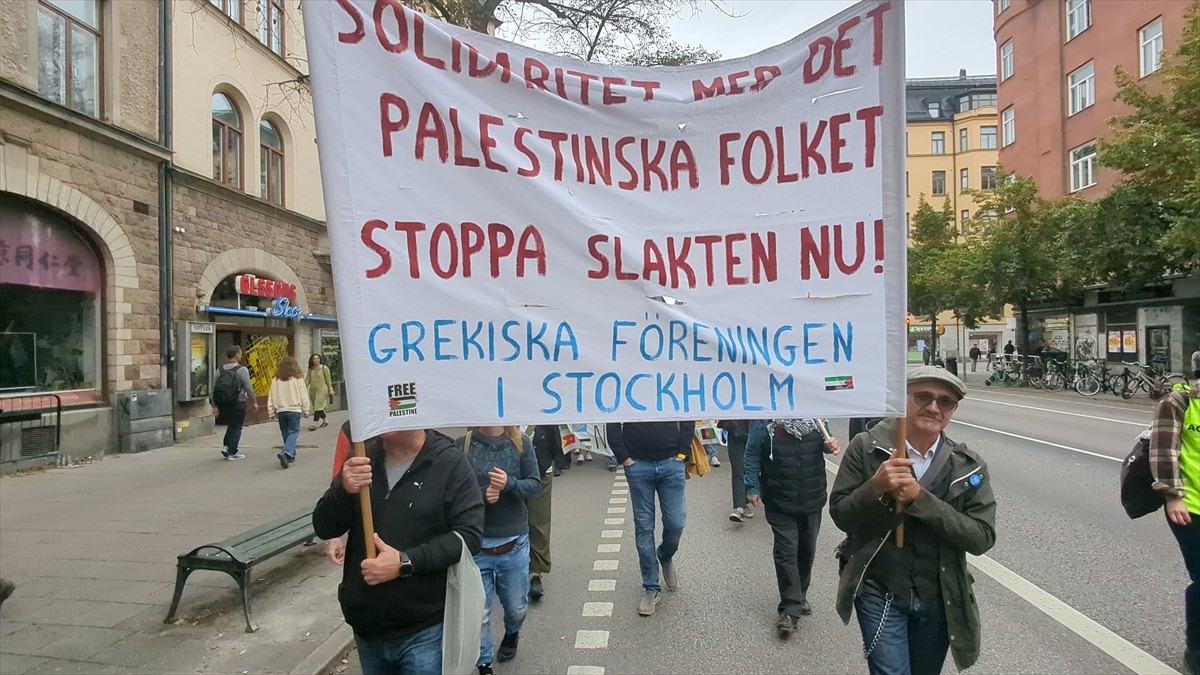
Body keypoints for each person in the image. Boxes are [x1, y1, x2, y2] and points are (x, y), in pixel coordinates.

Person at [830, 366, 996, 675]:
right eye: (923, 397)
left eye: (945, 401)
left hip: (938, 597)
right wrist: (875, 487)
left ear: (953, 410)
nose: (933, 408)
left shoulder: (967, 466)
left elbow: (981, 537)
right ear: (902, 399)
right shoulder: (866, 448)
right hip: (879, 588)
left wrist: (920, 499)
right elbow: (840, 514)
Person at [313, 426, 484, 675]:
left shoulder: (449, 463)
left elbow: (469, 536)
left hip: (424, 629)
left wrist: (405, 562)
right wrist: (343, 491)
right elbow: (324, 527)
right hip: (367, 625)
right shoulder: (361, 458)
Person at [457, 426, 541, 673]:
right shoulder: (462, 444)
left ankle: (512, 634)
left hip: (513, 544)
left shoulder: (520, 442)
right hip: (476, 546)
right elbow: (452, 490)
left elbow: (534, 483)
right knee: (479, 613)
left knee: (516, 607)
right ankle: (484, 662)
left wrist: (509, 484)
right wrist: (482, 495)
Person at [745, 418, 840, 638]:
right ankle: (789, 609)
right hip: (779, 499)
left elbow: (827, 442)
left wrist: (830, 445)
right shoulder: (764, 420)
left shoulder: (816, 417)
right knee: (786, 552)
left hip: (812, 498)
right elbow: (751, 453)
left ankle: (800, 595)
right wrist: (751, 486)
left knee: (806, 550)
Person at [606, 420, 695, 617]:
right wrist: (625, 458)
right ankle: (651, 587)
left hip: (671, 463)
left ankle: (665, 555)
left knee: (676, 523)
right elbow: (611, 422)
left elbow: (688, 414)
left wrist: (682, 453)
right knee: (644, 528)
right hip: (638, 466)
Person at [1150, 382, 1199, 674]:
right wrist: (1172, 496)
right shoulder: (1179, 402)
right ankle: (1196, 653)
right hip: (1190, 508)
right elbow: (1163, 450)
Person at [527, 425, 560, 601]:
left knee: (538, 522)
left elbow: (555, 443)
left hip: (540, 473)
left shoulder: (542, 416)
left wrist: (543, 463)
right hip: (507, 475)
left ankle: (535, 573)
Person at [267, 356, 310, 469]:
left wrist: (271, 412)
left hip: (281, 410)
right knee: (294, 432)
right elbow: (303, 395)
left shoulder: (275, 380)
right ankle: (286, 452)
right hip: (294, 409)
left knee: (285, 432)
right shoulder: (298, 379)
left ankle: (290, 455)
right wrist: (306, 409)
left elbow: (271, 396)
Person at [214, 345, 257, 461]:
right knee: (237, 426)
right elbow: (248, 388)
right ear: (237, 354)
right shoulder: (242, 370)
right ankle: (232, 452)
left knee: (231, 425)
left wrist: (215, 405)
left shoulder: (220, 370)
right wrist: (254, 402)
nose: (241, 355)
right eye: (240, 353)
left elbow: (214, 388)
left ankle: (227, 447)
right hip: (238, 402)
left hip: (224, 403)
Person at [718, 419, 755, 522]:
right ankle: (740, 507)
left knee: (756, 468)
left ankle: (752, 496)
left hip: (756, 432)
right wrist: (732, 427)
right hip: (736, 434)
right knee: (738, 470)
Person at [305, 353, 335, 431]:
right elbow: (307, 380)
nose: (316, 360)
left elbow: (328, 380)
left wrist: (330, 389)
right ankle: (325, 420)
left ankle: (314, 424)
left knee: (318, 406)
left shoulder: (324, 368)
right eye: (314, 359)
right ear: (312, 360)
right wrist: (303, 388)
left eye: (318, 358)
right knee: (318, 407)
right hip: (313, 390)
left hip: (322, 390)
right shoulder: (310, 369)